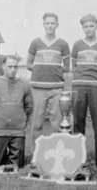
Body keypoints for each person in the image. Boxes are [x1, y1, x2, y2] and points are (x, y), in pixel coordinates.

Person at [71, 14, 97, 168]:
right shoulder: (77, 45)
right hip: (79, 87)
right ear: (82, 28)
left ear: (96, 26)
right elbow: (73, 66)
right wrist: (81, 78)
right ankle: (79, 159)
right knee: (78, 123)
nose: (89, 29)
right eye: (86, 26)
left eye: (91, 26)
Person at [27, 12, 70, 151]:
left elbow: (67, 67)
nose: (50, 26)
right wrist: (41, 69)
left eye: (53, 23)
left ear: (57, 25)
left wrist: (54, 70)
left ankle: (57, 153)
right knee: (36, 122)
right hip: (38, 88)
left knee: (57, 122)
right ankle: (36, 154)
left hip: (56, 88)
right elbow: (28, 64)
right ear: (43, 25)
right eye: (47, 23)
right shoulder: (35, 42)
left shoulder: (63, 44)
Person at [0, 55, 33, 168]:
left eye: (15, 67)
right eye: (10, 66)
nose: (13, 69)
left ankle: (13, 163)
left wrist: (21, 118)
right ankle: (2, 160)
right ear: (3, 67)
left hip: (18, 131)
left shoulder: (25, 85)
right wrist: (0, 113)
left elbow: (29, 107)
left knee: (18, 166)